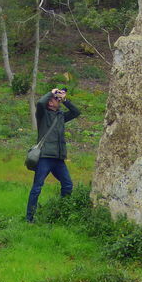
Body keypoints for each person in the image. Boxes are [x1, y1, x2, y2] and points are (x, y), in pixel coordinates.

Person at [26, 86, 80, 222]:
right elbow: (39, 103)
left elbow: (76, 112)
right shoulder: (42, 115)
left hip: (58, 158)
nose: (58, 100)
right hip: (45, 157)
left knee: (67, 185)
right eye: (56, 99)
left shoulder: (60, 116)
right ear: (50, 102)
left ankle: (61, 213)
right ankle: (29, 218)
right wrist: (51, 92)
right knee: (37, 187)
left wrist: (65, 99)